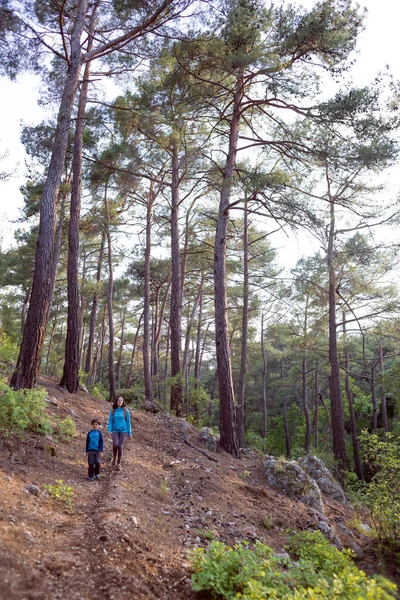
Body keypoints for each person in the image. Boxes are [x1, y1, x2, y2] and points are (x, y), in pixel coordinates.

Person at [107, 396, 132, 471]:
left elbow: (128, 422)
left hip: (123, 430)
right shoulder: (113, 411)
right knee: (115, 444)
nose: (119, 401)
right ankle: (114, 457)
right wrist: (109, 430)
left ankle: (119, 463)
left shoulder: (125, 411)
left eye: (121, 400)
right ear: (116, 401)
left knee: (120, 446)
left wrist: (129, 433)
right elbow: (110, 421)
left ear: (123, 401)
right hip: (115, 430)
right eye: (118, 400)